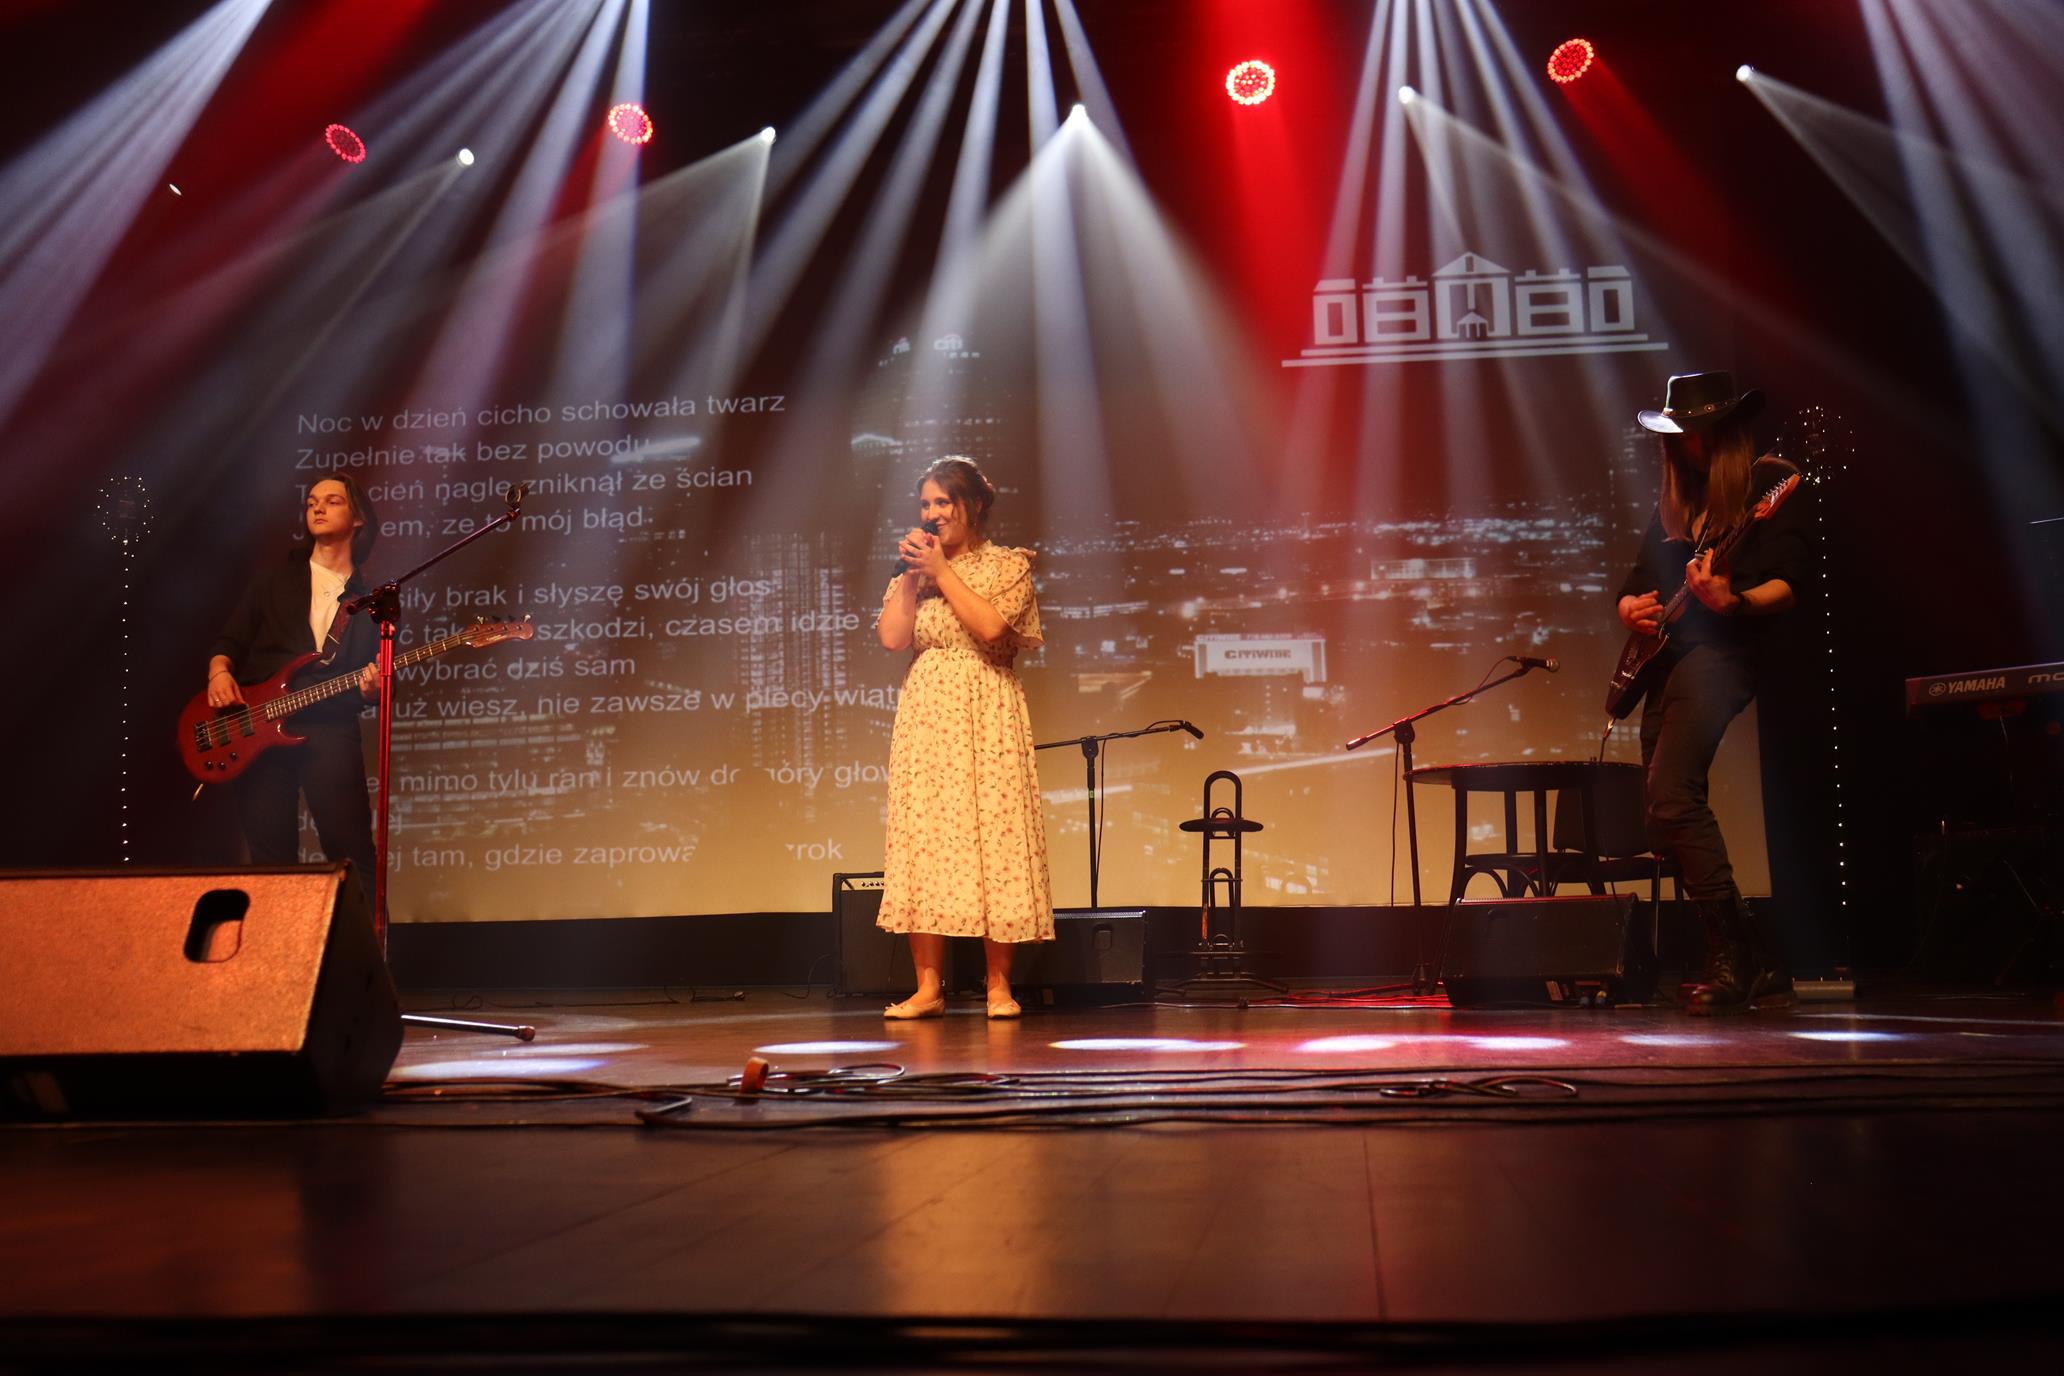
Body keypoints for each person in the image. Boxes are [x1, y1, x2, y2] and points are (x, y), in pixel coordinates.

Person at [1617, 372, 1809, 1014]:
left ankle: (1731, 956)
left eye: (1689, 434)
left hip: (1721, 656)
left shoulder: (1765, 484)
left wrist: (1734, 600)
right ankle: (1760, 961)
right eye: (1673, 436)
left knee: (1674, 793)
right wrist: (1630, 609)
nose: (1678, 446)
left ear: (1719, 434)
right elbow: (1635, 582)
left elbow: (1789, 582)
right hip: (1669, 661)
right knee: (1661, 817)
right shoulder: (1677, 505)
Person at [875, 457, 1053, 1019]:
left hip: (987, 711)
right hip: (927, 717)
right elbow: (892, 638)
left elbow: (992, 627)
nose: (932, 513)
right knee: (926, 842)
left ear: (972, 506)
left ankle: (998, 987)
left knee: (995, 838)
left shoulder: (1007, 565)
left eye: (942, 502)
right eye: (925, 504)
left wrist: (943, 573)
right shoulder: (916, 572)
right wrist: (913, 575)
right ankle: (928, 989)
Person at [206, 474, 380, 885]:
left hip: (330, 727)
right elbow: (230, 641)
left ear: (358, 518)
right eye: (312, 502)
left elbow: (374, 676)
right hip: (259, 726)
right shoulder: (275, 580)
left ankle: (364, 929)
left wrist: (373, 691)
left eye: (332, 501)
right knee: (271, 861)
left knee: (352, 855)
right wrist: (218, 672)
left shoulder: (373, 601)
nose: (317, 507)